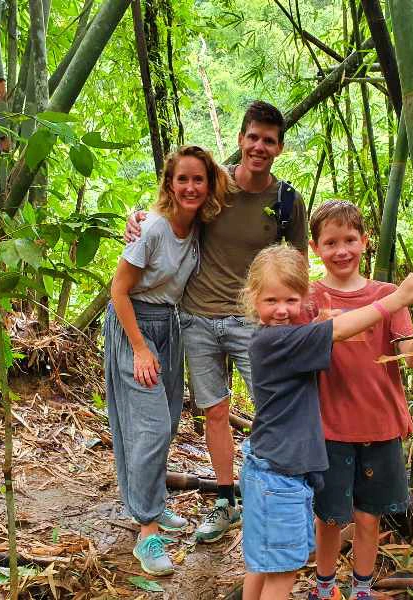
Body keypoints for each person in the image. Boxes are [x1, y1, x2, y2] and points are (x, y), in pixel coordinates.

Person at [125, 101, 309, 543]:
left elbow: (299, 265)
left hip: (252, 324)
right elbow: (174, 207)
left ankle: (272, 494)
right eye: (253, 137)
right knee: (216, 412)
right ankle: (226, 501)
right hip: (197, 318)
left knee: (274, 409)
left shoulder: (286, 201)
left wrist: (296, 320)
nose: (259, 147)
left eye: (268, 140)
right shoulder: (216, 184)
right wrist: (138, 217)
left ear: (279, 147)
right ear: (241, 138)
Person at [238, 244, 413, 600]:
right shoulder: (281, 340)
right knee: (282, 572)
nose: (281, 310)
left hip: (268, 468)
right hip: (280, 477)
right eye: (271, 301)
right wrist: (395, 298)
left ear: (304, 301)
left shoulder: (273, 339)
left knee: (263, 565)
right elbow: (338, 330)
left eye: (291, 301)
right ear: (253, 299)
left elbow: (336, 329)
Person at [104, 145, 229, 576]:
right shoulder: (153, 228)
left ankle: (151, 501)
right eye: (183, 179)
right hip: (134, 324)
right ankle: (146, 531)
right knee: (150, 426)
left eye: (199, 179)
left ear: (209, 185)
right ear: (169, 185)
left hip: (170, 325)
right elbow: (118, 290)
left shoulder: (197, 227)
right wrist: (139, 347)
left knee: (167, 420)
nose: (191, 187)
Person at [305, 201, 413, 600]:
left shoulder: (389, 294)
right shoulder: (308, 298)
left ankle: (361, 588)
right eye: (331, 242)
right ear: (315, 247)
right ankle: (324, 587)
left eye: (350, 240)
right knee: (328, 518)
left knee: (368, 516)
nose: (342, 250)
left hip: (379, 425)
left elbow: (410, 358)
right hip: (328, 426)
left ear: (365, 242)